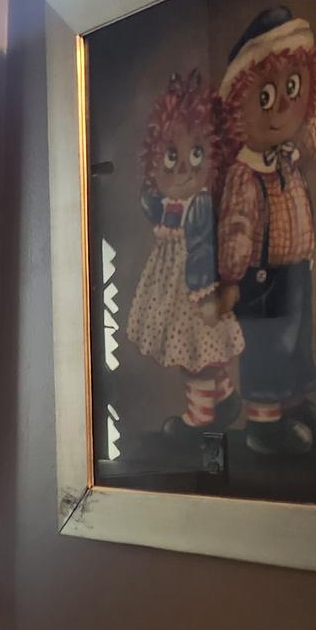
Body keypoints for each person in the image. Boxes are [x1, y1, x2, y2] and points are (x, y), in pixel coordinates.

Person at [216, 7, 316, 455]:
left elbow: (310, 131)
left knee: (296, 342)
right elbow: (237, 224)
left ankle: (294, 403)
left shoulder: (288, 155)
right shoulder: (246, 171)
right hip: (262, 278)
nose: (279, 110)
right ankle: (264, 421)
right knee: (266, 347)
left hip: (295, 269)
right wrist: (233, 275)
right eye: (264, 97)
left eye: (290, 91)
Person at [125, 70, 242, 437]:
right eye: (171, 154)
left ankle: (199, 418)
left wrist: (201, 292)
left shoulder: (200, 204)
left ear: (214, 154)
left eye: (196, 152)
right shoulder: (172, 200)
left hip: (192, 293)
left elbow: (200, 250)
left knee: (195, 359)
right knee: (203, 357)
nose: (184, 167)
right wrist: (151, 201)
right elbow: (159, 214)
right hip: (170, 291)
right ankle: (224, 400)